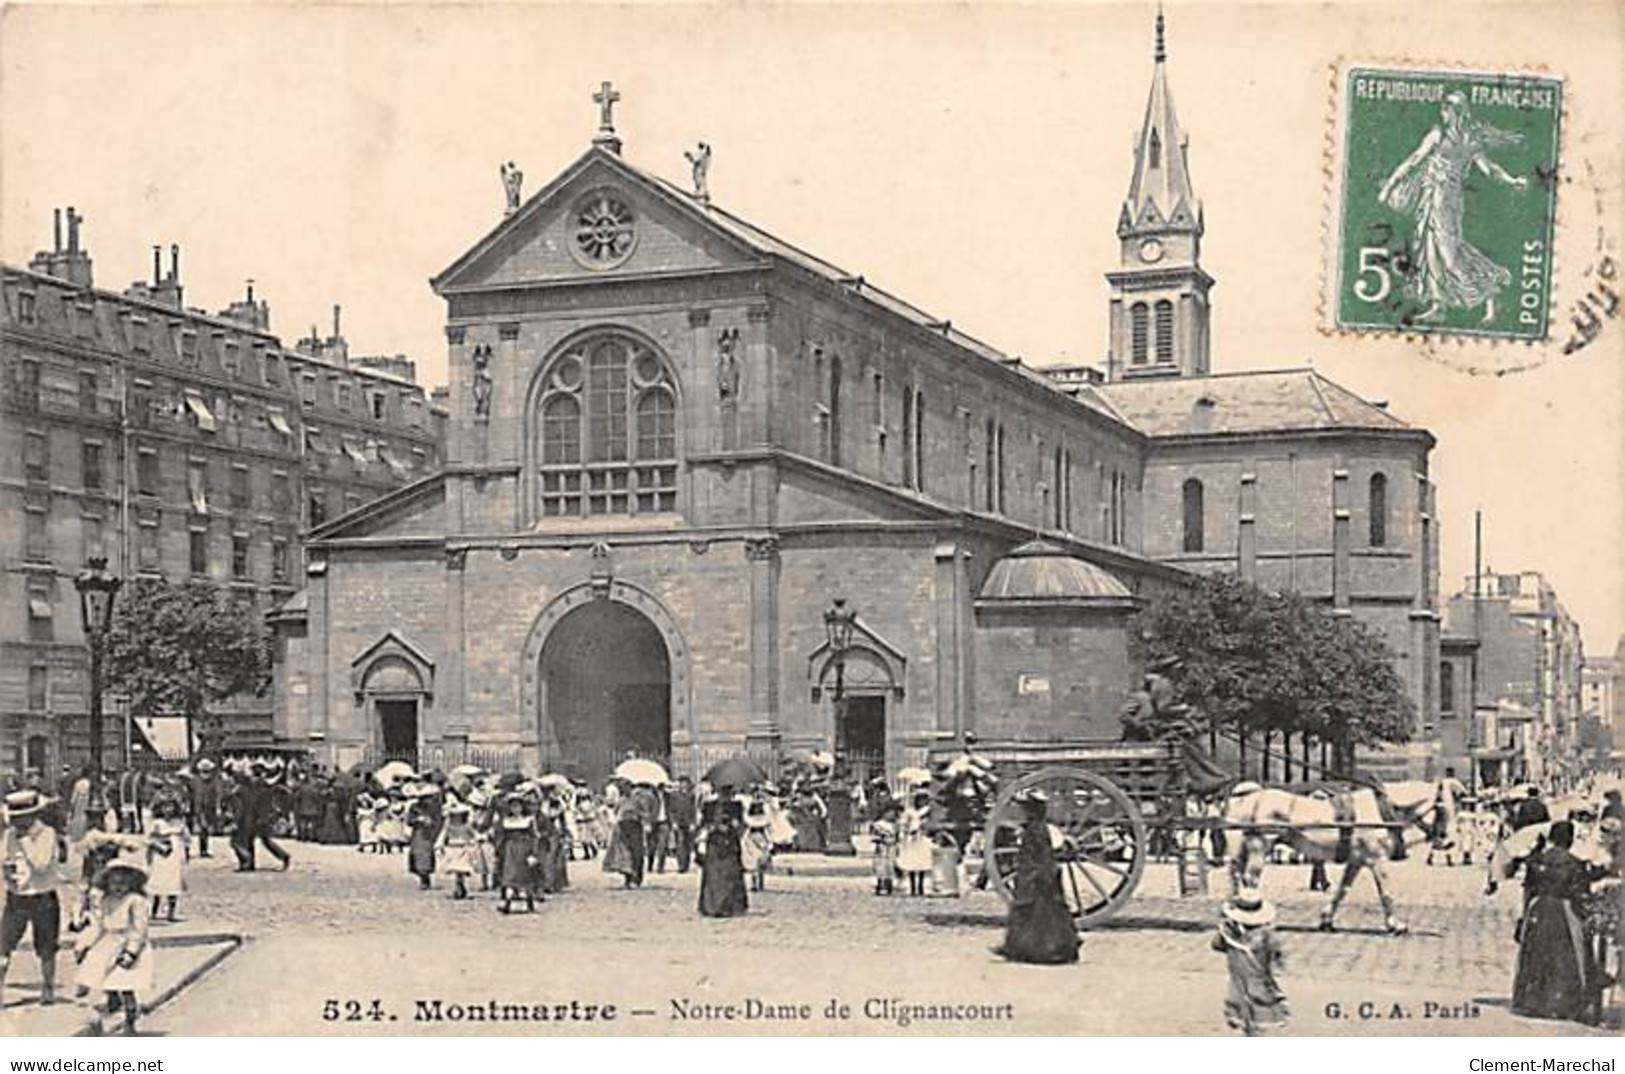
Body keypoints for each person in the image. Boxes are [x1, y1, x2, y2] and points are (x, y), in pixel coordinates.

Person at [1377, 91, 1528, 324]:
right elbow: (1414, 159)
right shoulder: (1442, 135)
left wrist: (1512, 181)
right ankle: (1438, 305)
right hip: (1431, 197)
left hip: (1449, 201)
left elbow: (1490, 169)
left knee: (1450, 256)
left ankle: (1491, 293)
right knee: (1430, 251)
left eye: (1445, 109)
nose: (1442, 113)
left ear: (1455, 111)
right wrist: (1390, 185)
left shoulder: (1468, 140)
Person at [1511, 820, 1610, 1025]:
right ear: (1570, 839)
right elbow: (1580, 891)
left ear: (1551, 838)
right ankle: (1561, 1004)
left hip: (1538, 910)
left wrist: (1523, 917)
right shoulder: (1574, 863)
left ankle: (1533, 1002)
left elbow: (1528, 890)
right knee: (1566, 956)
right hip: (1564, 911)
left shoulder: (1536, 861)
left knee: (1536, 954)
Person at [73, 845, 154, 1036]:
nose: (118, 887)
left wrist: (131, 951)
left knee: (125, 985)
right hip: (108, 943)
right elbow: (99, 925)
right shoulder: (106, 900)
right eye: (114, 883)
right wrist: (85, 944)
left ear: (132, 883)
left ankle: (130, 1021)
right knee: (99, 981)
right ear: (107, 883)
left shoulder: (136, 901)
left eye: (123, 883)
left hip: (127, 943)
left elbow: (139, 929)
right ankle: (98, 1019)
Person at [1, 789, 63, 1007]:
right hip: (17, 896)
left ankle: (48, 987)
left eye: (21, 818)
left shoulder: (47, 834)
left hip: (42, 896)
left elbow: (41, 864)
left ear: (33, 815)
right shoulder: (10, 834)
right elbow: (5, 858)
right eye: (14, 818)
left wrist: (26, 841)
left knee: (46, 946)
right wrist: (7, 872)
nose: (16, 822)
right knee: (4, 944)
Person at [1211, 885, 1289, 1034]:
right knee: (1261, 1010)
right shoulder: (1266, 934)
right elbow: (1277, 953)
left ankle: (1245, 1027)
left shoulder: (1229, 934)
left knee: (1240, 1011)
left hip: (1238, 982)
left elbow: (1216, 945)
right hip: (1261, 979)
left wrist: (1223, 926)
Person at [229, 765, 290, 872]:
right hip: (259, 817)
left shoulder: (249, 787)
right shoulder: (264, 786)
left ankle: (248, 861)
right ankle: (250, 863)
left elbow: (242, 800)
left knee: (242, 841)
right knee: (256, 840)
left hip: (254, 817)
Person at [697, 798, 749, 918]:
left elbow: (742, 827)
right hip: (714, 844)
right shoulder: (708, 805)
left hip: (730, 844)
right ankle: (712, 906)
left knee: (731, 874)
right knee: (714, 875)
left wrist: (735, 825)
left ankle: (730, 906)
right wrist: (713, 827)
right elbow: (703, 825)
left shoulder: (736, 805)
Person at [493, 796, 544, 913]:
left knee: (526, 876)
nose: (515, 809)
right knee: (510, 876)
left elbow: (534, 837)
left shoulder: (528, 820)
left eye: (518, 806)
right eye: (513, 806)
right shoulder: (506, 821)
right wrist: (499, 850)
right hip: (510, 851)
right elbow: (500, 837)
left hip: (524, 849)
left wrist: (533, 853)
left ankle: (529, 901)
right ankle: (508, 902)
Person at [145, 796, 188, 923]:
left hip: (175, 854)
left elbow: (186, 838)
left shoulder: (179, 822)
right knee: (158, 881)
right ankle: (154, 911)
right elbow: (149, 840)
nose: (168, 809)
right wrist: (150, 855)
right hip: (161, 854)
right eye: (165, 806)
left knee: (174, 882)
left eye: (171, 806)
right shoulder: (156, 823)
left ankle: (171, 912)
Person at [603, 782, 651, 889]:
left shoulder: (637, 800)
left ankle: (637, 878)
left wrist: (639, 815)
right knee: (625, 853)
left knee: (637, 852)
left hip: (635, 826)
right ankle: (628, 878)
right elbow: (616, 812)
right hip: (623, 826)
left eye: (627, 788)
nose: (625, 790)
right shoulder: (621, 800)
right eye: (623, 788)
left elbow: (645, 813)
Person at [435, 801, 478, 900]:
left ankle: (461, 886)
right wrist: (439, 845)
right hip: (452, 849)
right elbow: (442, 836)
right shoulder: (449, 827)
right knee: (456, 869)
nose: (456, 818)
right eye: (454, 815)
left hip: (463, 848)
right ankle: (458, 887)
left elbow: (474, 835)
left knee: (462, 870)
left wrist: (475, 841)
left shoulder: (466, 826)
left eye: (458, 815)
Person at [897, 790, 934, 897]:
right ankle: (913, 887)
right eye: (921, 799)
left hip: (923, 837)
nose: (922, 802)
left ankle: (920, 886)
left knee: (922, 862)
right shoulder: (910, 812)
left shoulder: (928, 811)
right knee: (912, 862)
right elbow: (903, 823)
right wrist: (906, 831)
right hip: (912, 838)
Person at [406, 789, 441, 890]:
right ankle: (422, 878)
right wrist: (418, 819)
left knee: (426, 856)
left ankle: (426, 879)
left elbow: (438, 821)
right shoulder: (414, 807)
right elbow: (409, 820)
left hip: (428, 834)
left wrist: (431, 824)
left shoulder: (433, 808)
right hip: (418, 833)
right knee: (418, 855)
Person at [190, 758, 223, 858]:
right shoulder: (195, 780)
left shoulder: (214, 781)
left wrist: (218, 807)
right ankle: (202, 849)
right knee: (203, 827)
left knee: (206, 828)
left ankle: (204, 848)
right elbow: (190, 794)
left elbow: (218, 794)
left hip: (210, 807)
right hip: (199, 807)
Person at [666, 777, 698, 873]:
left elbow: (693, 810)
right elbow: (671, 810)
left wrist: (693, 822)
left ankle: (686, 864)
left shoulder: (691, 796)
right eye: (682, 784)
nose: (683, 786)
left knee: (687, 844)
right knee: (680, 843)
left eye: (685, 784)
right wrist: (673, 822)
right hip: (678, 823)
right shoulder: (674, 795)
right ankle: (681, 865)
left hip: (688, 822)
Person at [870, 802, 900, 896]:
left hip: (892, 848)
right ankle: (880, 885)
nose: (892, 814)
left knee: (890, 866)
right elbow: (874, 837)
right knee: (880, 867)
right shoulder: (877, 825)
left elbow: (897, 837)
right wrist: (882, 841)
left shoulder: (895, 825)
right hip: (881, 848)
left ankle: (889, 885)